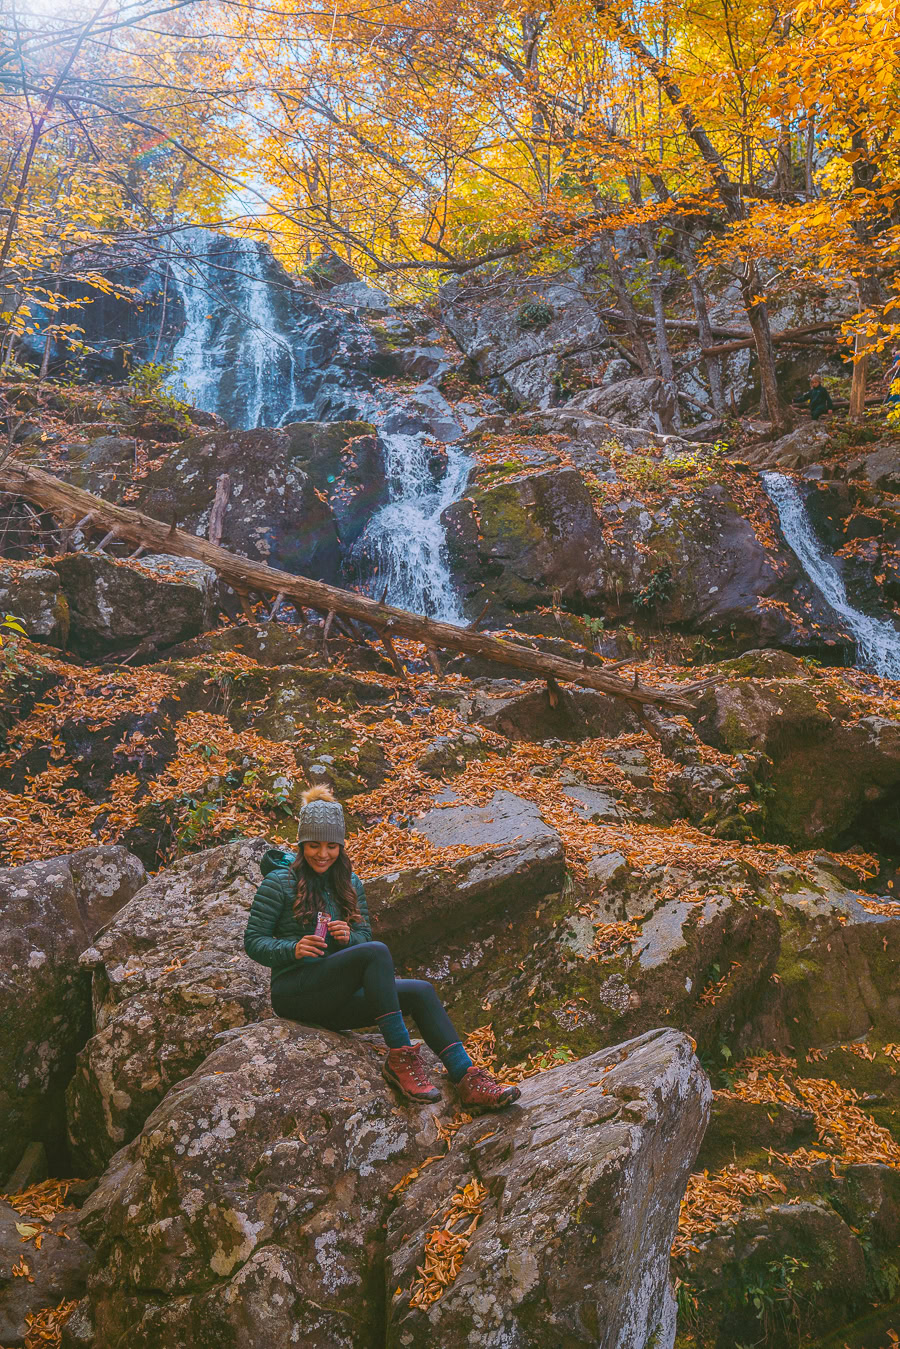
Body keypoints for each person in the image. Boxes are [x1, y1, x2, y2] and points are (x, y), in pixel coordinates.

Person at [243, 785, 521, 1110]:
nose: (322, 854)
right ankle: (400, 1058)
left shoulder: (349, 883)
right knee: (376, 952)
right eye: (314, 845)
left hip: (336, 997)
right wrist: (293, 948)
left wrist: (349, 938)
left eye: (331, 846)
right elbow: (254, 942)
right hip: (295, 994)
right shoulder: (278, 883)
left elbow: (364, 936)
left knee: (420, 991)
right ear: (302, 844)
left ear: (341, 847)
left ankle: (468, 1080)